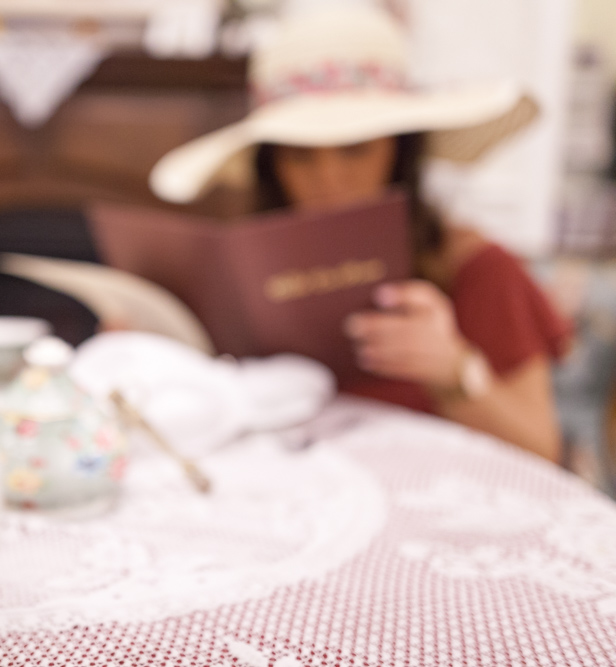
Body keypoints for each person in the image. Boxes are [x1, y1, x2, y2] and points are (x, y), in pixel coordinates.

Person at [148, 6, 571, 462]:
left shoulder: (479, 270)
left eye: (355, 149)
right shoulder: (235, 281)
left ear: (399, 150)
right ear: (273, 167)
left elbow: (542, 453)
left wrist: (455, 372)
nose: (328, 180)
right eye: (301, 155)